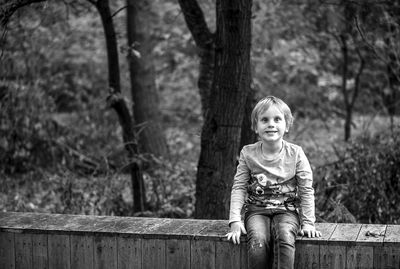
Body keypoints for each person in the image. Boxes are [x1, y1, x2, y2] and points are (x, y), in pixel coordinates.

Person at [226, 96, 321, 269]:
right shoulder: (248, 153)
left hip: (287, 211)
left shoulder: (296, 154)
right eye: (264, 120)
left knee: (285, 236)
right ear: (256, 126)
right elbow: (239, 187)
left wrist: (308, 222)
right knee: (258, 240)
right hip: (256, 210)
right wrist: (234, 221)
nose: (271, 124)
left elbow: (306, 190)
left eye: (277, 119)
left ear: (287, 126)